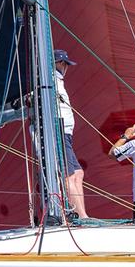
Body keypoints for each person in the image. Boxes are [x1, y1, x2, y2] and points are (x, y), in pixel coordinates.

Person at [54, 49, 88, 220]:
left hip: (66, 132)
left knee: (78, 173)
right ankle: (80, 216)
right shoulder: (51, 79)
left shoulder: (58, 80)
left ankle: (83, 214)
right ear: (59, 63)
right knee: (69, 175)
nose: (66, 67)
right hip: (59, 129)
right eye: (65, 64)